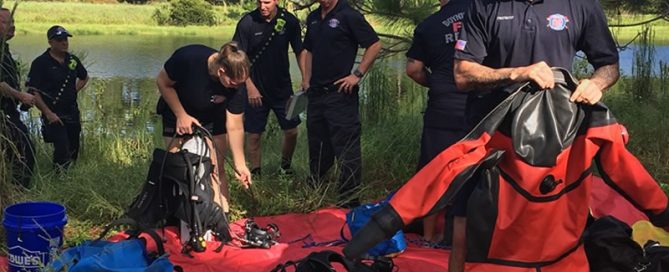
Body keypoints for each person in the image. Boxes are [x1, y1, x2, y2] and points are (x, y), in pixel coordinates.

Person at [451, 0, 620, 270]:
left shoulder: (580, 5)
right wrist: (517, 73)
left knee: (549, 228)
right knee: (466, 227)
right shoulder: (484, 5)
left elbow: (609, 65)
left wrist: (595, 84)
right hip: (489, 136)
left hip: (550, 137)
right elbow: (462, 73)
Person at [302, 0, 382, 207]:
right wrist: (306, 78)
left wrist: (357, 74)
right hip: (316, 93)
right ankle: (316, 191)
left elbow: (374, 44)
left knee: (346, 147)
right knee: (317, 145)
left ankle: (348, 199)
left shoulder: (348, 15)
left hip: (341, 93)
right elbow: (308, 50)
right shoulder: (312, 18)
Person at [155, 42, 252, 212]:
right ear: (221, 71)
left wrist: (240, 164)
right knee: (178, 168)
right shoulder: (188, 58)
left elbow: (235, 126)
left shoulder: (237, 86)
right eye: (234, 83)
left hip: (212, 115)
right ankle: (178, 215)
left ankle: (221, 215)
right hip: (178, 110)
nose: (237, 87)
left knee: (216, 167)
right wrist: (181, 115)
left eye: (240, 84)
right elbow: (162, 82)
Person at [405, 0, 470, 243]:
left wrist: (438, 83)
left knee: (433, 174)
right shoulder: (485, 12)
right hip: (479, 107)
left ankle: (430, 237)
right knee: (476, 172)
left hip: (442, 108)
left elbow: (413, 69)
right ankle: (466, 236)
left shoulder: (428, 25)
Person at [232, 0, 306, 176]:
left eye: (267, 2)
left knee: (291, 131)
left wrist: (305, 77)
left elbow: (299, 51)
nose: (262, 6)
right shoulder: (247, 22)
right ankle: (255, 173)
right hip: (254, 91)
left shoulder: (289, 21)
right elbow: (237, 58)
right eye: (259, 2)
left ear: (277, 1)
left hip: (283, 89)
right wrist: (249, 87)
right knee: (254, 135)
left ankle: (285, 168)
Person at [27, 25, 89, 171]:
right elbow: (33, 90)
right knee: (61, 149)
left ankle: (71, 179)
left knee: (73, 149)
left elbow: (84, 77)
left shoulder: (72, 60)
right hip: (53, 113)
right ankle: (59, 179)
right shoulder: (40, 63)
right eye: (60, 39)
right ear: (51, 42)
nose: (64, 42)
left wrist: (74, 91)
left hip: (72, 112)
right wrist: (48, 113)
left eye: (66, 39)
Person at [0, 8, 35, 187]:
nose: (13, 26)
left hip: (10, 111)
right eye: (7, 22)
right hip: (3, 116)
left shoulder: (4, 49)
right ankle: (16, 194)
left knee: (19, 153)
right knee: (24, 150)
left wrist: (22, 94)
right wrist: (20, 95)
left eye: (13, 22)